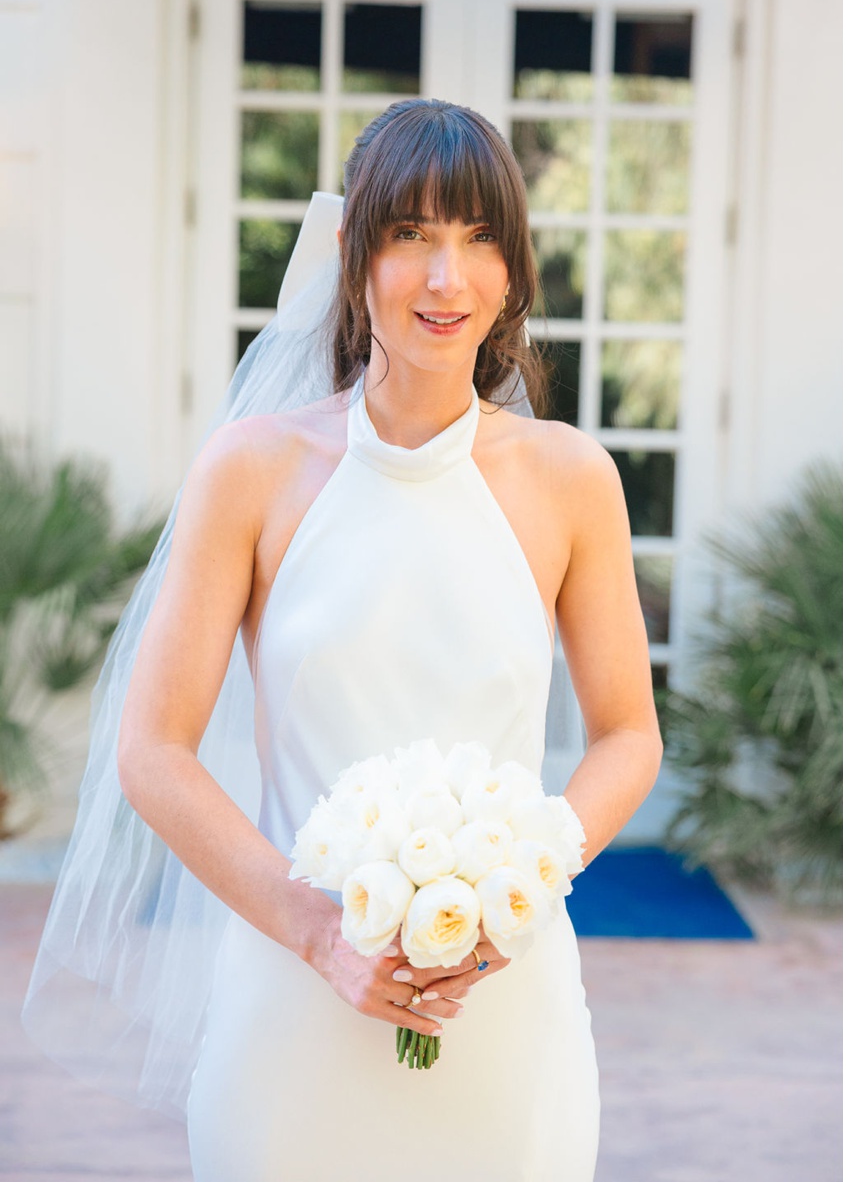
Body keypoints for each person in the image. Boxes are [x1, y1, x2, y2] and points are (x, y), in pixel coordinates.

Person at [30, 100, 660, 1179]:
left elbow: (626, 735)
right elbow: (154, 748)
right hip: (294, 1003)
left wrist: (521, 876)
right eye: (408, 234)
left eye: (476, 239)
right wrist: (317, 928)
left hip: (501, 1002)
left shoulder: (571, 479)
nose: (442, 278)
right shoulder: (252, 469)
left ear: (513, 270)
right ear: (351, 253)